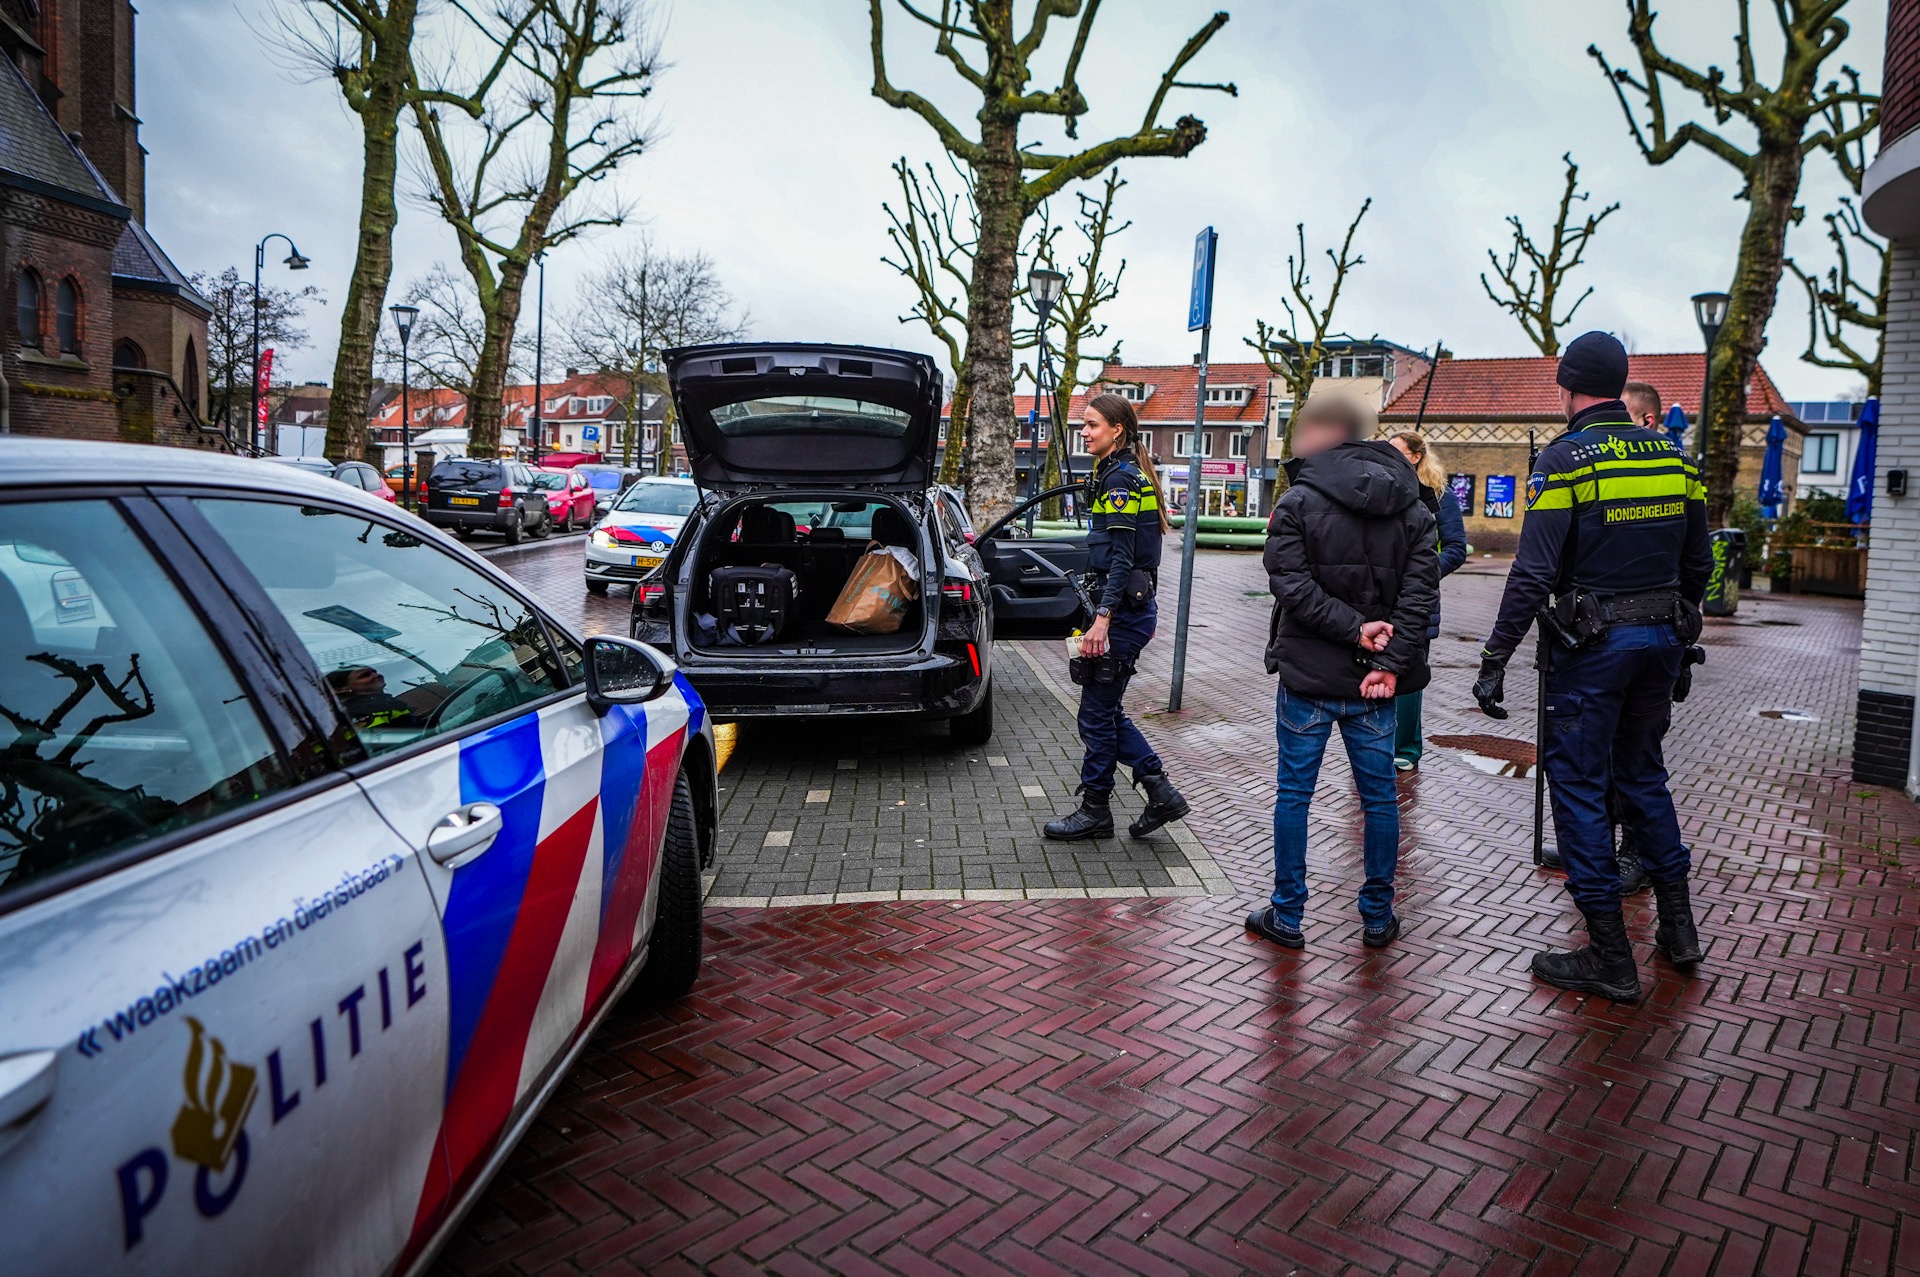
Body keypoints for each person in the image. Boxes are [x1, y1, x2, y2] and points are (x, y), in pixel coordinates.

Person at [1472, 331, 1710, 1001]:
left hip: (1594, 648)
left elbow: (1534, 570)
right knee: (1642, 774)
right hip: (1661, 638)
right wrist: (1683, 619)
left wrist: (1495, 657)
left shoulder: (1566, 459)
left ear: (1568, 388)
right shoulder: (1673, 455)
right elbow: (1699, 557)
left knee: (1577, 781)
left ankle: (1609, 953)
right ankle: (1680, 928)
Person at [1246, 394, 1439, 951]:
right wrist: (1387, 660)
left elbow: (1290, 584)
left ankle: (1287, 916)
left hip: (1308, 674)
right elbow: (1419, 599)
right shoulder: (1416, 509)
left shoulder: (1298, 500)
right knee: (1380, 799)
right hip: (1374, 683)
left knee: (1294, 795)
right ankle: (1378, 917)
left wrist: (1353, 628)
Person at [1534, 375, 1667, 895]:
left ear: (1646, 420)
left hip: (1625, 640)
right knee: (1609, 760)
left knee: (1633, 762)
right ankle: (1603, 850)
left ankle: (1633, 856)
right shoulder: (1585, 461)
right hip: (1629, 637)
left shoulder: (1658, 465)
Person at [1044, 393, 1191, 842]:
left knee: (1095, 715)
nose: (1084, 432)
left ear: (1116, 430)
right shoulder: (1114, 474)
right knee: (1104, 712)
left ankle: (1096, 811)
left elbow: (1123, 560)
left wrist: (1103, 617)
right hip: (1128, 611)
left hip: (1124, 616)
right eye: (1083, 425)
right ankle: (1158, 792)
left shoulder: (1121, 481)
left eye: (1091, 424)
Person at [1384, 431, 1468, 771]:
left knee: (1408, 674)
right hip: (1381, 597)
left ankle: (1406, 748)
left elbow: (1456, 548)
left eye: (1397, 452)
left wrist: (1423, 575)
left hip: (1417, 601)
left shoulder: (1439, 496)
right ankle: (1373, 745)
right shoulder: (1383, 491)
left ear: (1416, 457)